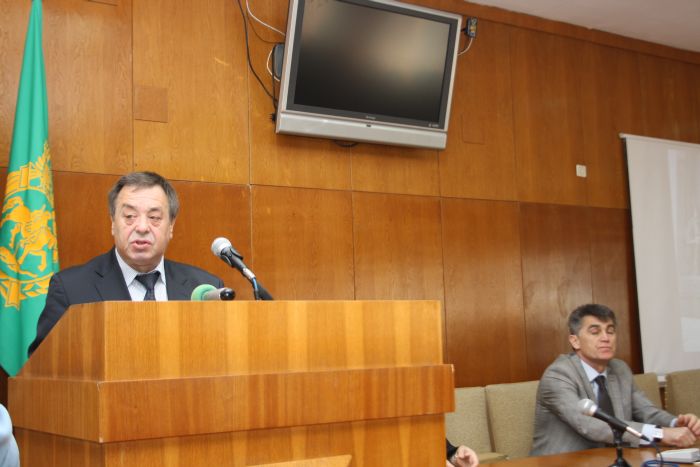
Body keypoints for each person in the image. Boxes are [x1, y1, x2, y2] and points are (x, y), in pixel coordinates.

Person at [28, 171, 224, 355]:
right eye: (130, 216)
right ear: (113, 223)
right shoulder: (70, 289)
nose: (142, 227)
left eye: (154, 218)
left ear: (171, 226)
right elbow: (44, 369)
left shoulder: (206, 289)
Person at [530, 303, 700, 455]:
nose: (606, 338)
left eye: (610, 331)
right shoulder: (558, 375)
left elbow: (646, 411)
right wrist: (660, 434)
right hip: (562, 462)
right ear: (575, 341)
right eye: (595, 332)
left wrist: (675, 423)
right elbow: (589, 425)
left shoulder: (620, 369)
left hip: (615, 458)